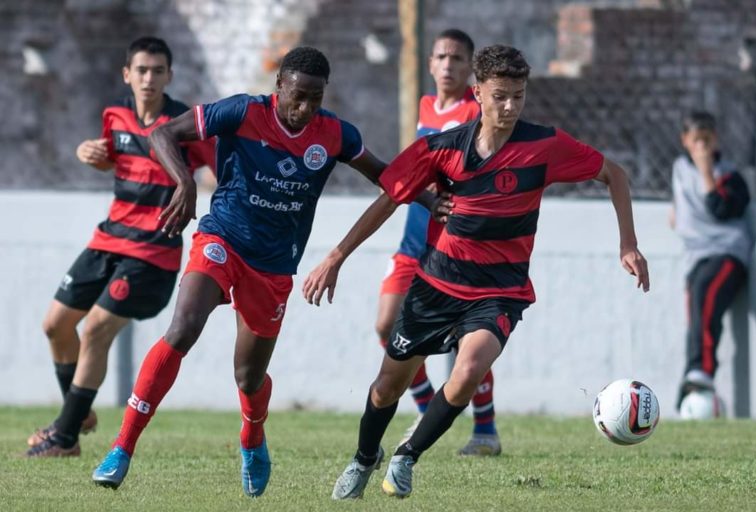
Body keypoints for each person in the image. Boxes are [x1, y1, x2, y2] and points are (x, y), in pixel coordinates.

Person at [90, 46, 443, 498]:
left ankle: (253, 437)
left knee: (248, 377)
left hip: (274, 264)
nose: (305, 109)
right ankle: (122, 447)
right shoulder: (241, 112)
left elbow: (386, 176)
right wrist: (184, 181)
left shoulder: (333, 133)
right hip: (221, 239)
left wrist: (433, 201)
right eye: (298, 97)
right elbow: (163, 134)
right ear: (279, 88)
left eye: (315, 99)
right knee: (183, 329)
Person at [303, 44, 650, 499]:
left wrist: (629, 242)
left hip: (500, 292)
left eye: (519, 96)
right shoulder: (441, 148)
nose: (510, 107)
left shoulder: (543, 145)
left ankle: (408, 455)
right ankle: (365, 458)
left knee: (468, 370)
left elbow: (614, 174)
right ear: (478, 93)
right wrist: (336, 256)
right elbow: (390, 198)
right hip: (436, 286)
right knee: (387, 388)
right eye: (501, 96)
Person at [26, 36, 214, 458]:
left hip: (153, 251)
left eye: (158, 71)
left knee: (94, 329)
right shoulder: (115, 114)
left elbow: (218, 168)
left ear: (169, 76)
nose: (149, 79)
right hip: (108, 238)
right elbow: (113, 158)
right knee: (55, 325)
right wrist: (87, 152)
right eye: (141, 70)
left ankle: (66, 436)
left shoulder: (183, 124)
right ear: (127, 74)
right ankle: (79, 413)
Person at [377, 28, 501, 456]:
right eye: (441, 57)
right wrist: (424, 194)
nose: (448, 65)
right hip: (414, 238)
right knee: (385, 324)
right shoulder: (424, 106)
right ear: (429, 63)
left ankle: (485, 430)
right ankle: (428, 406)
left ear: (471, 70)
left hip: (452, 246)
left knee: (470, 340)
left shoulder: (474, 112)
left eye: (457, 59)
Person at [670, 111, 752, 410]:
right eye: (696, 140)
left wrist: (707, 172)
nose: (702, 147)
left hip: (728, 254)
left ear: (716, 139)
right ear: (685, 141)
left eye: (707, 140)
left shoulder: (730, 176)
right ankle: (692, 386)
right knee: (697, 317)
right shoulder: (679, 169)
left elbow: (720, 209)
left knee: (706, 292)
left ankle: (701, 371)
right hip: (696, 257)